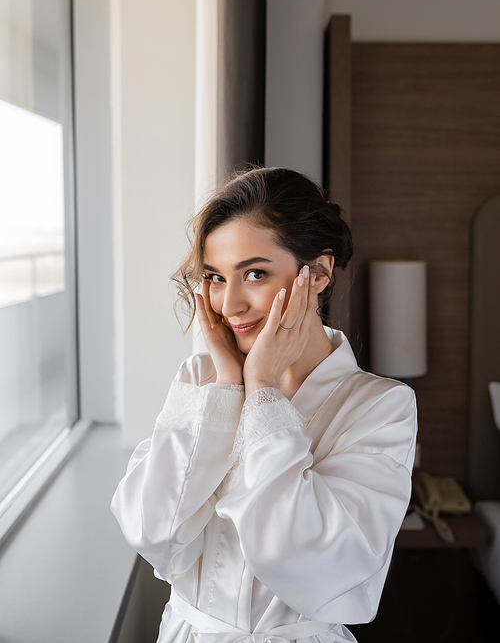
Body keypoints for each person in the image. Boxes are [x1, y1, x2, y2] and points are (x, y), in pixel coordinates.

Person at [111, 166, 417, 643]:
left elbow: (310, 562)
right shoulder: (202, 380)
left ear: (317, 272)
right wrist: (229, 389)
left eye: (254, 273)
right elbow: (153, 531)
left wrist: (264, 392)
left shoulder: (380, 407)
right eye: (214, 277)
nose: (229, 304)